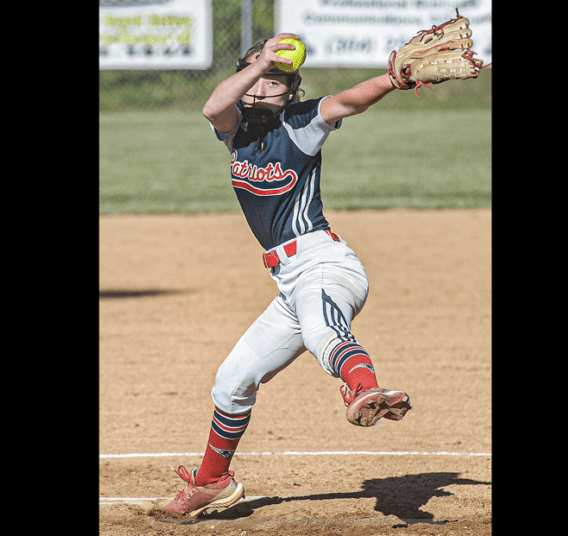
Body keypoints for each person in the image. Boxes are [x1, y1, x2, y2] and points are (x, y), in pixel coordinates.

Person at [163, 34, 412, 517]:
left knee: (324, 331)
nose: (261, 90)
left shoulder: (300, 125)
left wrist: (392, 78)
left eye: (274, 82)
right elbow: (214, 106)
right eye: (255, 77)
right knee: (232, 382)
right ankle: (213, 481)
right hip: (291, 283)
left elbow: (347, 102)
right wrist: (261, 64)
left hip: (325, 265)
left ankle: (364, 389)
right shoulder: (234, 130)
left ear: (290, 91)